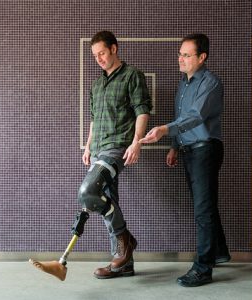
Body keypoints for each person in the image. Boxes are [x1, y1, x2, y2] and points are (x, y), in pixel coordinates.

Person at [139, 33, 230, 287]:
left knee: (202, 209)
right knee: (205, 206)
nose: (180, 59)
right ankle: (218, 252)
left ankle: (203, 268)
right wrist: (174, 147)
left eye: (186, 55)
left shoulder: (210, 83)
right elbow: (180, 116)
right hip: (189, 150)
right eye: (180, 54)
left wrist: (165, 130)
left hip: (206, 150)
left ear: (202, 57)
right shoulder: (184, 83)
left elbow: (195, 117)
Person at [81, 30, 152, 279]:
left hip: (117, 147)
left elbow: (142, 111)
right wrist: (88, 146)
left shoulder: (132, 76)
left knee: (88, 192)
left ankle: (125, 242)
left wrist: (137, 143)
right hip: (99, 148)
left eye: (102, 52)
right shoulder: (97, 85)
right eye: (95, 55)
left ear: (114, 49)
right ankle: (122, 262)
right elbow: (93, 119)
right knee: (108, 202)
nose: (98, 58)